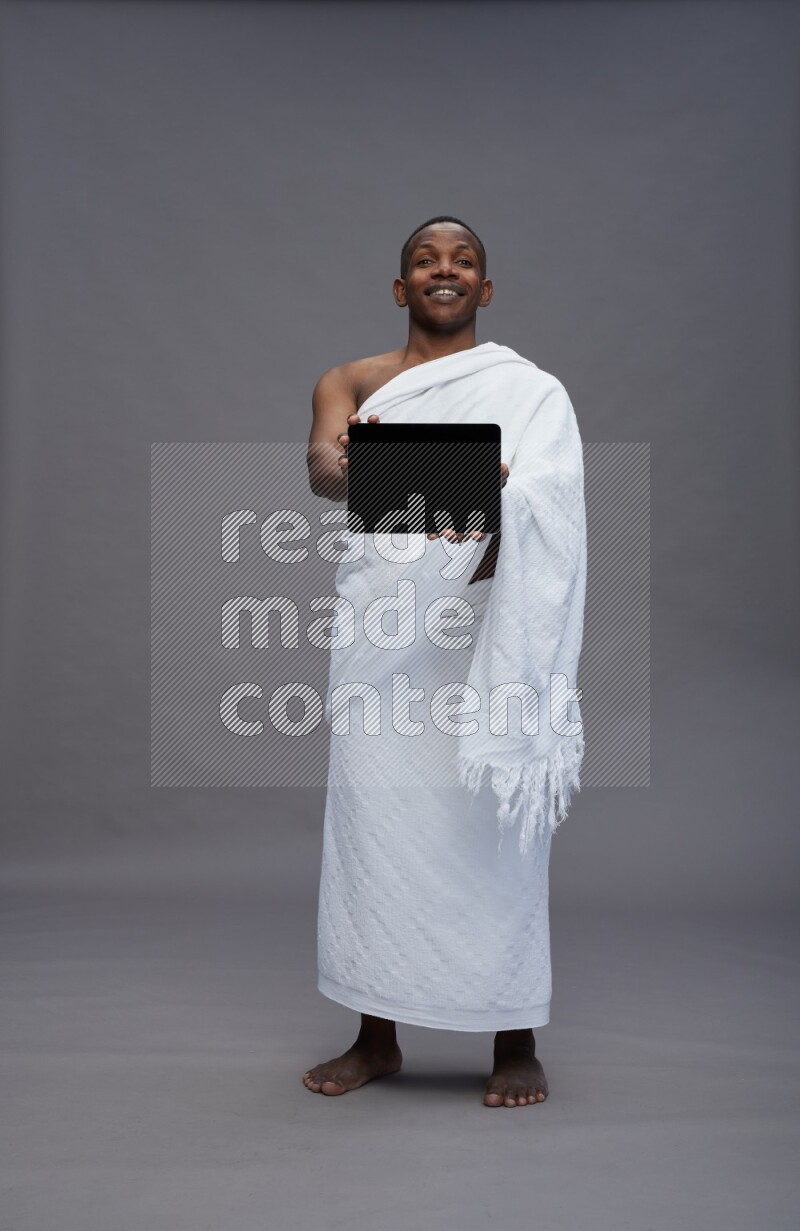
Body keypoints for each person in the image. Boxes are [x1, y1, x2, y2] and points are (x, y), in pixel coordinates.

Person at [303, 216, 581, 1108]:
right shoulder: (350, 380)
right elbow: (324, 470)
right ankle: (375, 1035)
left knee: (495, 829)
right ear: (401, 288)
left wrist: (407, 474)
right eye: (426, 260)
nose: (444, 270)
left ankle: (515, 1034)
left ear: (486, 290)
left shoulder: (530, 390)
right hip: (385, 627)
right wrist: (450, 474)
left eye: (463, 260)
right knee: (375, 827)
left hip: (488, 629)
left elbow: (545, 493)